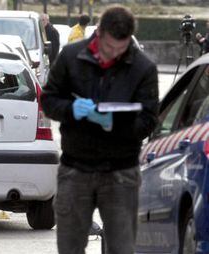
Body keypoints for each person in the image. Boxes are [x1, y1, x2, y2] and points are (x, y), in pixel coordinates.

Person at [41, 5, 159, 254]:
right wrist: (71, 109)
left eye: (121, 48)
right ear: (99, 33)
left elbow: (148, 121)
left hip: (121, 172)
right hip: (75, 168)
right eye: (108, 47)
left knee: (122, 248)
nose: (112, 54)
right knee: (70, 247)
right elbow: (49, 100)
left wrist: (113, 124)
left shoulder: (143, 68)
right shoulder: (71, 57)